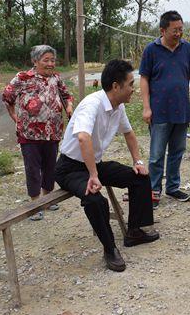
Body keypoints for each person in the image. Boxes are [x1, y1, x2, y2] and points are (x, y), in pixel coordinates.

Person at [54, 59, 159, 272]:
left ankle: (134, 231)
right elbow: (83, 138)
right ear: (115, 86)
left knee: (139, 177)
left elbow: (129, 134)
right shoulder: (92, 104)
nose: (133, 89)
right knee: (94, 199)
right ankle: (110, 249)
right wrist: (93, 175)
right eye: (130, 84)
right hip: (70, 168)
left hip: (93, 164)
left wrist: (137, 162)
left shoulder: (117, 106)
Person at [2, 45, 73, 221]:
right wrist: (14, 116)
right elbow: (7, 97)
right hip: (29, 133)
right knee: (33, 168)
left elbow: (66, 95)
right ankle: (35, 204)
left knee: (50, 166)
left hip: (53, 131)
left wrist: (69, 106)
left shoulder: (56, 78)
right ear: (35, 61)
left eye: (53, 60)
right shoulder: (22, 78)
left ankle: (47, 199)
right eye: (46, 60)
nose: (50, 64)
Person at [139, 10, 190, 208]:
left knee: (177, 151)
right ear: (162, 30)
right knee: (156, 154)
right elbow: (144, 79)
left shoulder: (187, 49)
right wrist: (146, 107)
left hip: (181, 110)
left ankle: (173, 187)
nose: (178, 33)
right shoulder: (151, 50)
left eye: (181, 29)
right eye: (175, 30)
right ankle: (153, 190)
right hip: (159, 111)